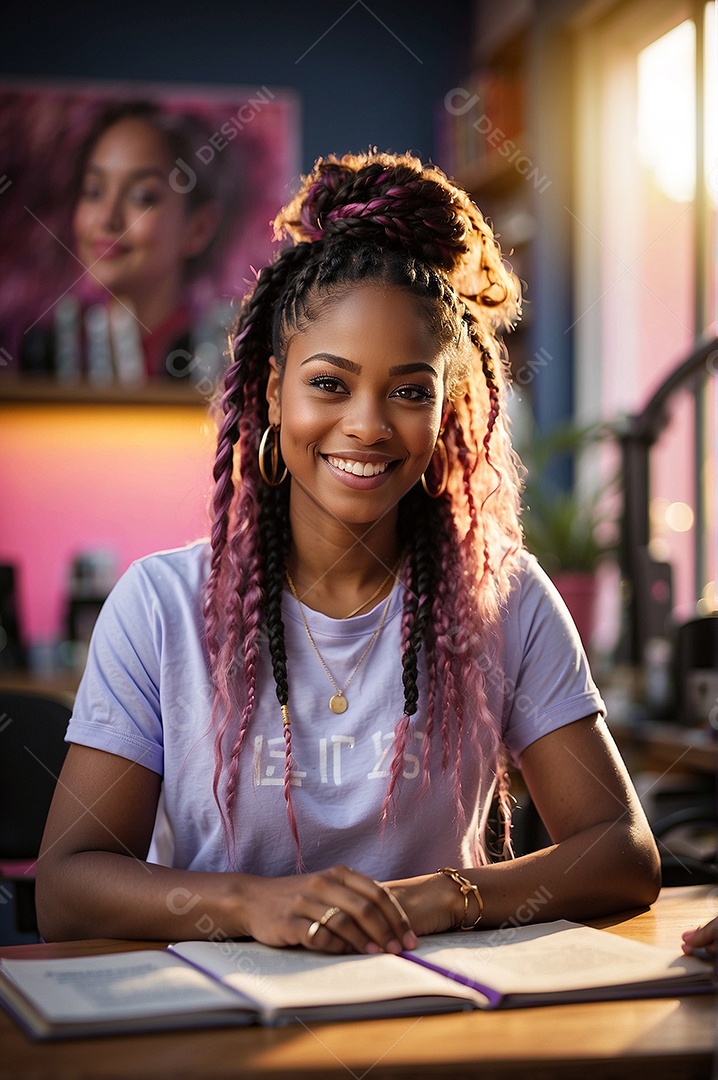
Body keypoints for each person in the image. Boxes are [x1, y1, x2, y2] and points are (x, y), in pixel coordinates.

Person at [36, 151, 661, 953]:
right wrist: (250, 906)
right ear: (272, 390)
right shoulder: (158, 606)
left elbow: (623, 851)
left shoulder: (505, 597)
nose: (367, 425)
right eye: (329, 384)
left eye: (408, 391)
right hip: (213, 1032)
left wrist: (443, 896)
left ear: (447, 412)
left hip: (432, 1015)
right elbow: (66, 888)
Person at [21, 100, 225, 380]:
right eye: (93, 191)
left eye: (142, 197)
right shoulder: (47, 354)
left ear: (198, 228)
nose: (106, 219)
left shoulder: (220, 360)